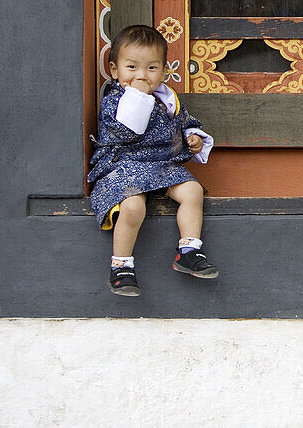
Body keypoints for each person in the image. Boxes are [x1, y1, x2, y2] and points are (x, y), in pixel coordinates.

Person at [87, 25, 218, 296]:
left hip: (161, 166)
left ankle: (189, 250)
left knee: (193, 191)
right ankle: (121, 266)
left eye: (151, 69)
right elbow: (127, 129)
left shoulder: (168, 99)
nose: (142, 76)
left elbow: (186, 122)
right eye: (132, 67)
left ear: (164, 71)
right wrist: (137, 96)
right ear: (115, 70)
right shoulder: (115, 101)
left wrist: (193, 136)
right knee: (133, 207)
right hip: (123, 165)